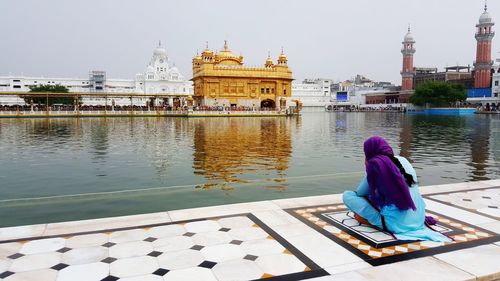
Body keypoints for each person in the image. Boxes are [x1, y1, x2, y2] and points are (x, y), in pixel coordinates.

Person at [342, 136, 451, 242]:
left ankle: (368, 221)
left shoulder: (375, 165)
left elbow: (360, 192)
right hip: (418, 219)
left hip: (395, 225)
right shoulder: (403, 160)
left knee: (348, 196)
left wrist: (367, 167)